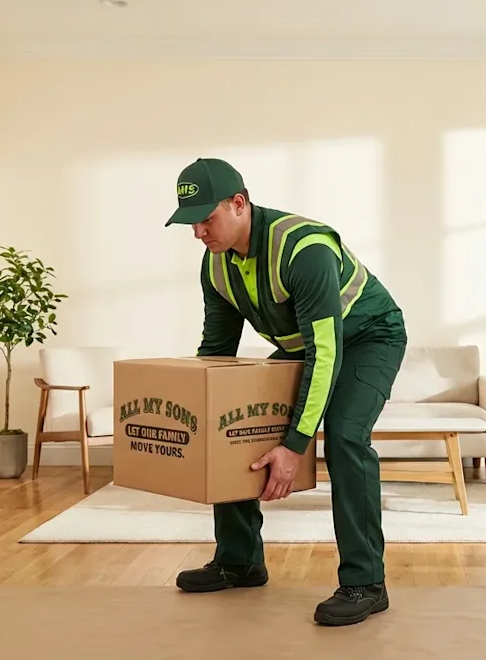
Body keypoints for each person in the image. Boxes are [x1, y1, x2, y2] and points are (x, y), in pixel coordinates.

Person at [163, 157, 407, 626]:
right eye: (190, 224)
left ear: (239, 204)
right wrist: (200, 416)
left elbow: (327, 352)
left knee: (346, 436)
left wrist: (295, 444)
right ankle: (240, 561)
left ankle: (366, 582)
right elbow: (216, 355)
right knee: (230, 417)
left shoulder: (304, 248)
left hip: (368, 337)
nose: (198, 233)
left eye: (206, 220)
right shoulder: (215, 267)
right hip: (307, 347)